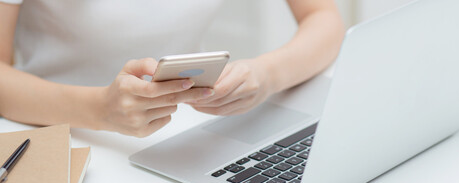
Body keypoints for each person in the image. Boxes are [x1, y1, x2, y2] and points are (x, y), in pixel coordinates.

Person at [0, 0, 344, 137]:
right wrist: (100, 110)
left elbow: (323, 18)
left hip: (189, 132)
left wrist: (266, 75)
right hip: (57, 133)